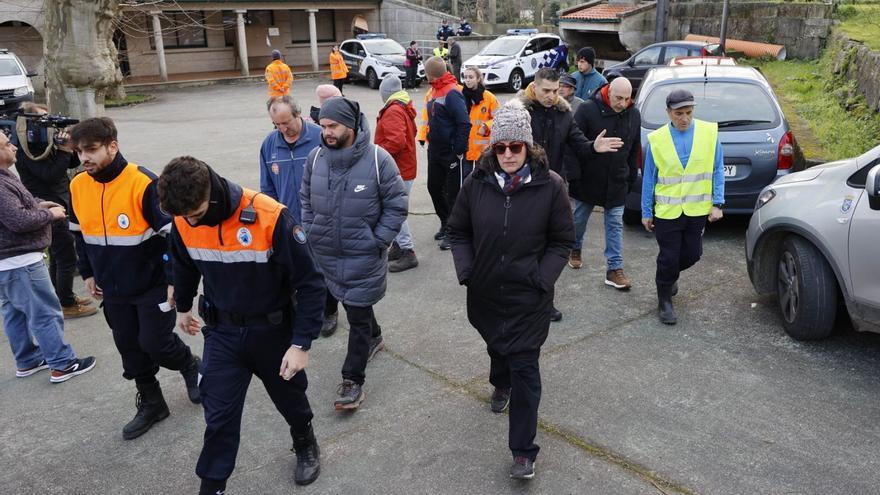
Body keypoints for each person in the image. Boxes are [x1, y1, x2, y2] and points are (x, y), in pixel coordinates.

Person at [158, 157, 325, 493]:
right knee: (217, 416)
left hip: (273, 333)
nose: (191, 220)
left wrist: (301, 343)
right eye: (183, 216)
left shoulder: (269, 215)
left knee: (291, 399)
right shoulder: (183, 218)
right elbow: (184, 263)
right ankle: (213, 486)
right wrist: (184, 307)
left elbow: (311, 282)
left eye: (196, 212)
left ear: (211, 191)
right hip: (223, 334)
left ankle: (304, 440)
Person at [447, 99, 575, 480]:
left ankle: (523, 451)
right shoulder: (476, 182)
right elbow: (458, 231)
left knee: (525, 370)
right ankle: (498, 381)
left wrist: (542, 279)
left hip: (529, 300)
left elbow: (561, 242)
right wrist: (467, 270)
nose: (506, 154)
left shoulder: (551, 187)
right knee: (496, 344)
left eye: (514, 147)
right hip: (485, 295)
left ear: (528, 147)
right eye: (499, 147)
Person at [68, 117, 201, 440]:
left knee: (155, 344)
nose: (84, 158)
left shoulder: (143, 183)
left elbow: (172, 236)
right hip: (113, 289)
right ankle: (153, 403)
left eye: (92, 150)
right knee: (129, 347)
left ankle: (190, 365)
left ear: (112, 146)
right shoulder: (77, 185)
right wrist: (87, 272)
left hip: (152, 284)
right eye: (79, 152)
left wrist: (173, 281)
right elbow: (79, 234)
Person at [301, 97, 408, 410]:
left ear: (350, 124)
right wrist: (311, 230)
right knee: (353, 305)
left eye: (333, 126)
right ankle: (375, 336)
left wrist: (378, 240)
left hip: (363, 254)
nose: (327, 132)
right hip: (326, 255)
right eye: (323, 126)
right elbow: (305, 198)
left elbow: (396, 203)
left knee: (357, 314)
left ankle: (352, 380)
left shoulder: (379, 159)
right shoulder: (315, 158)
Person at [517, 67, 623, 321]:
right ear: (535, 86)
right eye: (546, 91)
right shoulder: (519, 112)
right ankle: (520, 299)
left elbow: (579, 144)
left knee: (549, 249)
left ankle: (544, 301)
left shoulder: (564, 115)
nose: (551, 96)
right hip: (521, 189)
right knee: (523, 248)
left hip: (551, 190)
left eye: (555, 91)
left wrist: (593, 147)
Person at [0, 130, 96, 383]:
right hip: (19, 261)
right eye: (7, 144)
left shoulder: (4, 177)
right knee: (44, 313)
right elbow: (19, 220)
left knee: (14, 313)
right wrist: (50, 216)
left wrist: (40, 204)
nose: (15, 148)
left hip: (8, 263)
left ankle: (28, 359)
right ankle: (63, 364)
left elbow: (22, 204)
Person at [641, 88, 725, 325]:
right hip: (667, 212)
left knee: (693, 254)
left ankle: (669, 277)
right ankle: (664, 301)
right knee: (668, 256)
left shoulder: (709, 134)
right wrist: (646, 211)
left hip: (697, 209)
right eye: (679, 113)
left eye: (688, 112)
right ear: (669, 113)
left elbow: (718, 169)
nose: (684, 118)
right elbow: (649, 178)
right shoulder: (657, 140)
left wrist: (717, 203)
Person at [13, 102, 96, 318]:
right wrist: (61, 151)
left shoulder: (43, 145)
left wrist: (68, 149)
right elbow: (50, 175)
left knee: (59, 256)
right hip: (50, 207)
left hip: (60, 202)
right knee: (66, 256)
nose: (48, 125)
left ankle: (61, 296)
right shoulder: (27, 151)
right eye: (43, 120)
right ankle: (66, 303)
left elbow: (68, 166)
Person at [568, 77, 641, 290]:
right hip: (588, 179)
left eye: (627, 99)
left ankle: (614, 268)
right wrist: (574, 176)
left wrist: (630, 176)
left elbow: (634, 146)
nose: (622, 103)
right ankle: (575, 246)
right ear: (608, 92)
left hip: (617, 180)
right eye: (619, 98)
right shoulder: (587, 110)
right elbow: (572, 144)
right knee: (579, 219)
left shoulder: (633, 114)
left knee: (615, 224)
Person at [419, 56, 470, 251]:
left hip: (450, 153)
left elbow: (464, 123)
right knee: (434, 187)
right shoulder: (434, 90)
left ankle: (454, 231)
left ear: (430, 73)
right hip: (435, 151)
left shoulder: (452, 92)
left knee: (453, 194)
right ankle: (445, 222)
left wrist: (457, 151)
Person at [376, 76, 419, 273]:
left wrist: (376, 152)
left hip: (399, 169)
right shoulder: (401, 107)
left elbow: (396, 142)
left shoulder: (393, 110)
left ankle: (408, 251)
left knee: (394, 211)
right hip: (404, 167)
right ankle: (399, 247)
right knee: (394, 209)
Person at [260, 95, 322, 223]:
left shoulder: (320, 137)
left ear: (298, 113)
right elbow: (267, 188)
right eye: (276, 124)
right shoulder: (269, 144)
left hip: (319, 221)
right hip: (287, 222)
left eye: (286, 123)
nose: (282, 129)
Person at [460, 66, 499, 198]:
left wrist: (487, 126)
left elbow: (499, 118)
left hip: (483, 148)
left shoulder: (489, 98)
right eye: (465, 77)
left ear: (478, 79)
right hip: (466, 146)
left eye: (471, 77)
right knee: (466, 178)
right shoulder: (461, 96)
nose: (467, 80)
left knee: (484, 177)